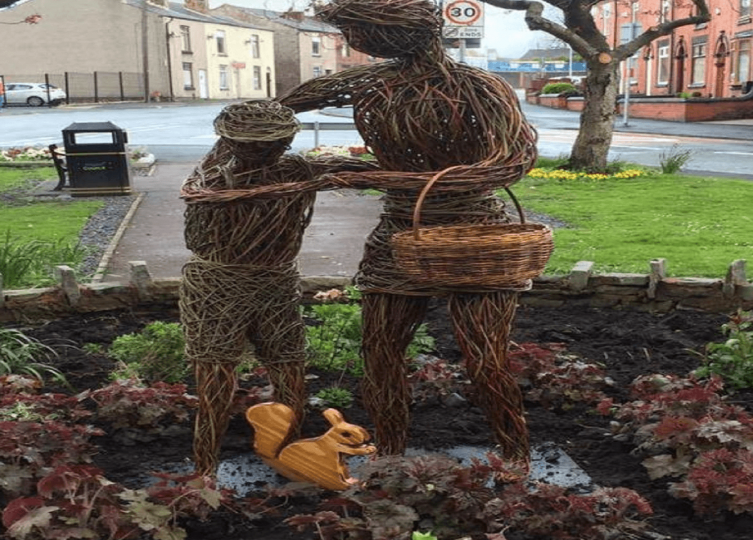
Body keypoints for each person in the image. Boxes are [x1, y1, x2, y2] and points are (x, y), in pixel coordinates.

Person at [277, 0, 539, 466]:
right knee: (379, 354)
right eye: (352, 31)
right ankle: (389, 455)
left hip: (474, 239)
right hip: (398, 235)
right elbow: (280, 109)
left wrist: (375, 177)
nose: (358, 41)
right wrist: (263, 143)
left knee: (484, 359)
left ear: (416, 26)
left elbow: (510, 163)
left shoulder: (479, 87)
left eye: (366, 29)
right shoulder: (372, 83)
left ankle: (515, 455)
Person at [180, 100, 377, 474]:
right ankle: (205, 470)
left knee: (289, 371)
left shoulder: (293, 170)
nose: (263, 151)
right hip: (219, 286)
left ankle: (291, 458)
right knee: (217, 382)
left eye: (269, 142)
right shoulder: (212, 180)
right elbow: (197, 229)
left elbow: (347, 170)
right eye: (252, 143)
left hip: (273, 283)